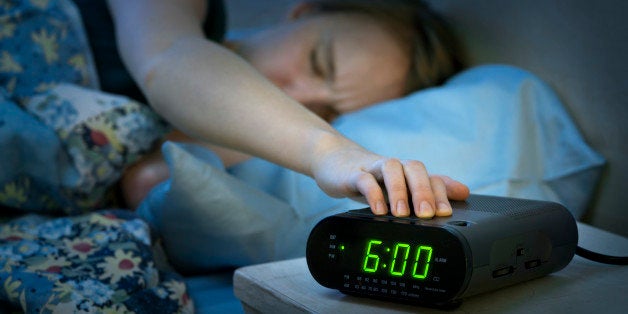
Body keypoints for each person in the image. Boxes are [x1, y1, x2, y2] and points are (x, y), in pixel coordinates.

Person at [104, 0, 470, 216]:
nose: (301, 97)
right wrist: (330, 150)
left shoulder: (256, 143)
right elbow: (167, 56)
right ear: (302, 12)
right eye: (318, 62)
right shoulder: (183, 15)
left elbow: (143, 181)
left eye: (324, 113)